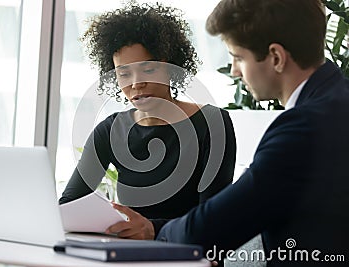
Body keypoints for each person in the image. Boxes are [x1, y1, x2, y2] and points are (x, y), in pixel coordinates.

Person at [156, 0, 349, 266]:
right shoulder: (338, 101)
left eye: (238, 57)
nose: (235, 71)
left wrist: (155, 232)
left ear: (276, 57)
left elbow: (206, 232)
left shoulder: (302, 129)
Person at [59, 2, 236, 241]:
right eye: (124, 73)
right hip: (129, 256)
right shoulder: (110, 131)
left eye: (148, 70)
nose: (135, 83)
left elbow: (215, 220)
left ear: (170, 68)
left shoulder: (212, 124)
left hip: (191, 257)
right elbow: (69, 205)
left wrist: (152, 229)